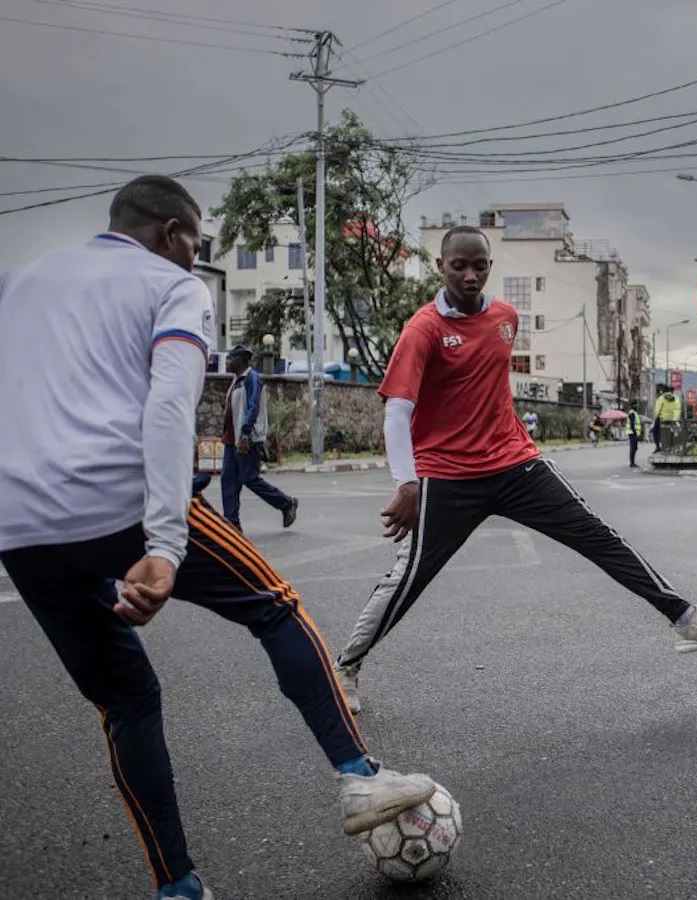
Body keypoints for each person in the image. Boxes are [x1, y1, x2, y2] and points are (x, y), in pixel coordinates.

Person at [0, 176, 438, 900]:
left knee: (127, 700)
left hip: (19, 520)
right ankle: (359, 778)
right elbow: (171, 404)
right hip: (120, 499)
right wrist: (164, 546)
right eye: (196, 243)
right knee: (275, 605)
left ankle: (178, 889)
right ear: (174, 234)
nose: (194, 255)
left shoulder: (22, 283)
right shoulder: (172, 287)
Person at [333, 225, 697, 713]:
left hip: (515, 464)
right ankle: (344, 668)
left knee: (598, 535)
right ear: (442, 267)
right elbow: (397, 411)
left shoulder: (505, 317)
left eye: (479, 265)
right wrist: (407, 484)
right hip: (448, 475)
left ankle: (685, 620)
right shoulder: (423, 330)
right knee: (408, 579)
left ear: (489, 267)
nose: (469, 274)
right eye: (458, 265)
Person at [220, 345, 298, 531]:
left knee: (249, 478)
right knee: (228, 480)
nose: (229, 362)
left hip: (246, 439)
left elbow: (253, 407)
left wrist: (246, 434)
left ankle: (286, 503)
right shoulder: (236, 381)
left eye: (232, 358)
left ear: (242, 360)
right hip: (232, 440)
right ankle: (232, 524)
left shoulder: (251, 379)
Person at [654, 388, 683, 452]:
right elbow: (678, 409)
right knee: (673, 433)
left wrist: (656, 417)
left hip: (663, 419)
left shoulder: (661, 398)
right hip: (672, 420)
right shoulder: (676, 399)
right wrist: (675, 418)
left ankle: (659, 447)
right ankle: (673, 447)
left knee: (659, 433)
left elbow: (658, 410)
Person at [627, 404, 642, 468]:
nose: (637, 406)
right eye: (635, 405)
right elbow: (632, 424)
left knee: (634, 448)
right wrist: (635, 433)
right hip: (633, 433)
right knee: (633, 448)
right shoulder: (632, 413)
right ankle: (632, 463)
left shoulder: (634, 413)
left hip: (633, 433)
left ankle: (633, 462)